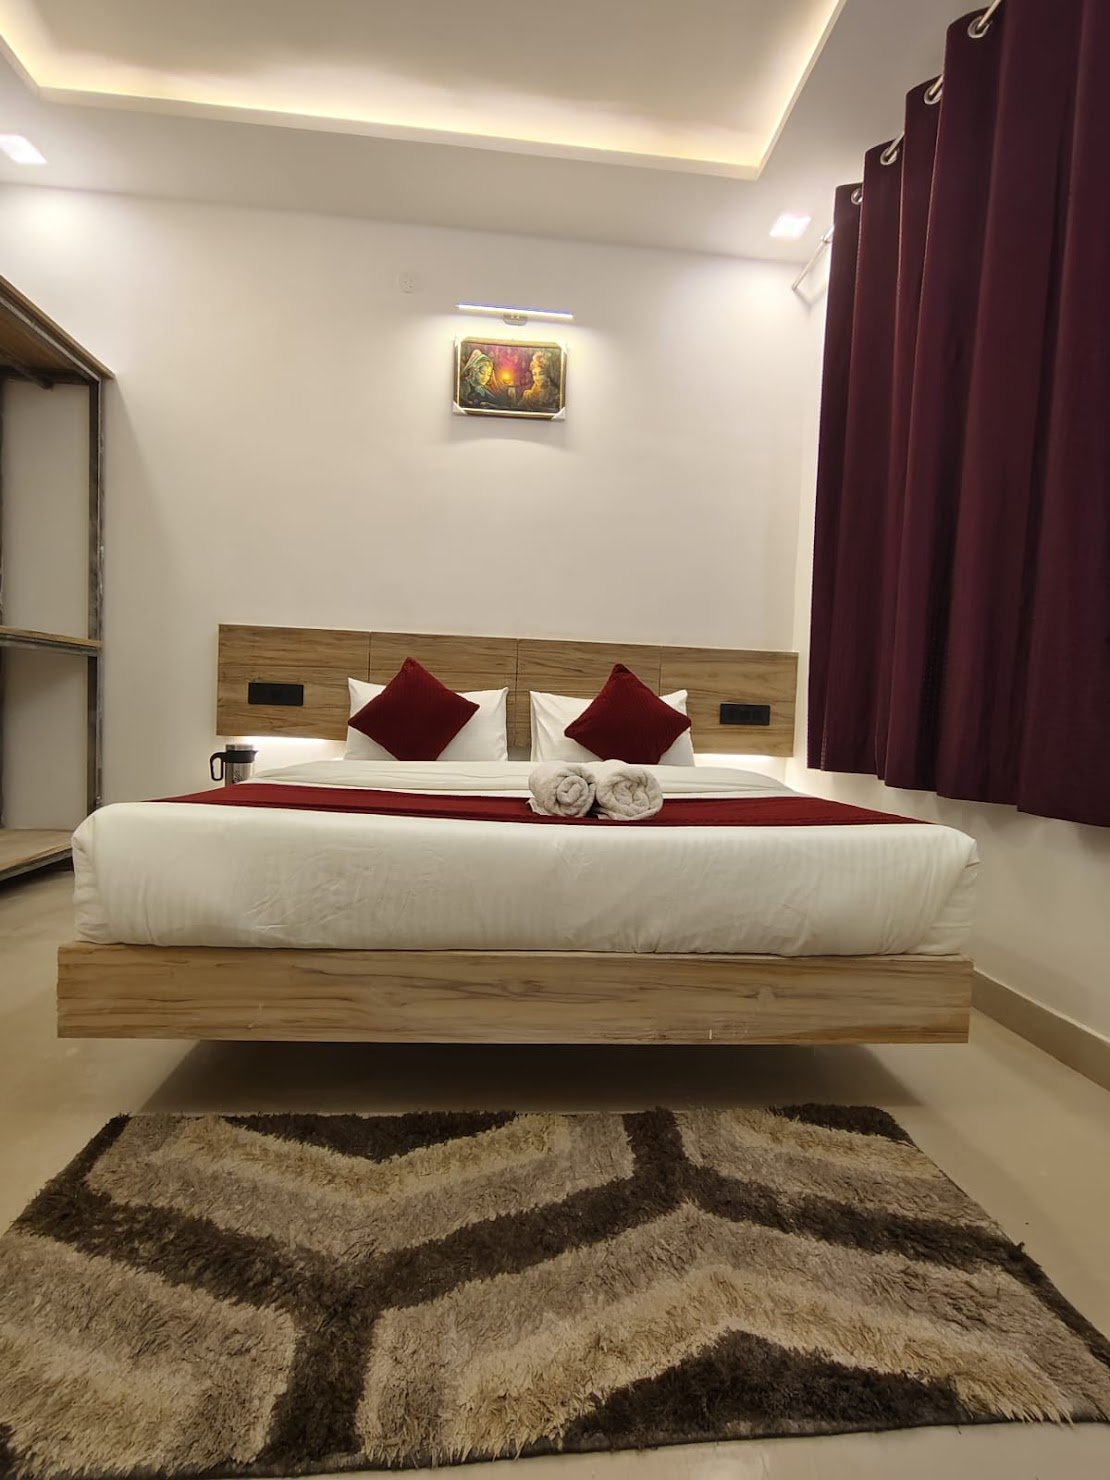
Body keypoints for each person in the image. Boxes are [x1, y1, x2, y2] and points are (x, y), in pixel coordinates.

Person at [519, 348, 562, 412]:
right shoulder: (527, 396)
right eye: (534, 374)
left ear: (547, 374)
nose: (537, 378)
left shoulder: (556, 396)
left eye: (541, 374)